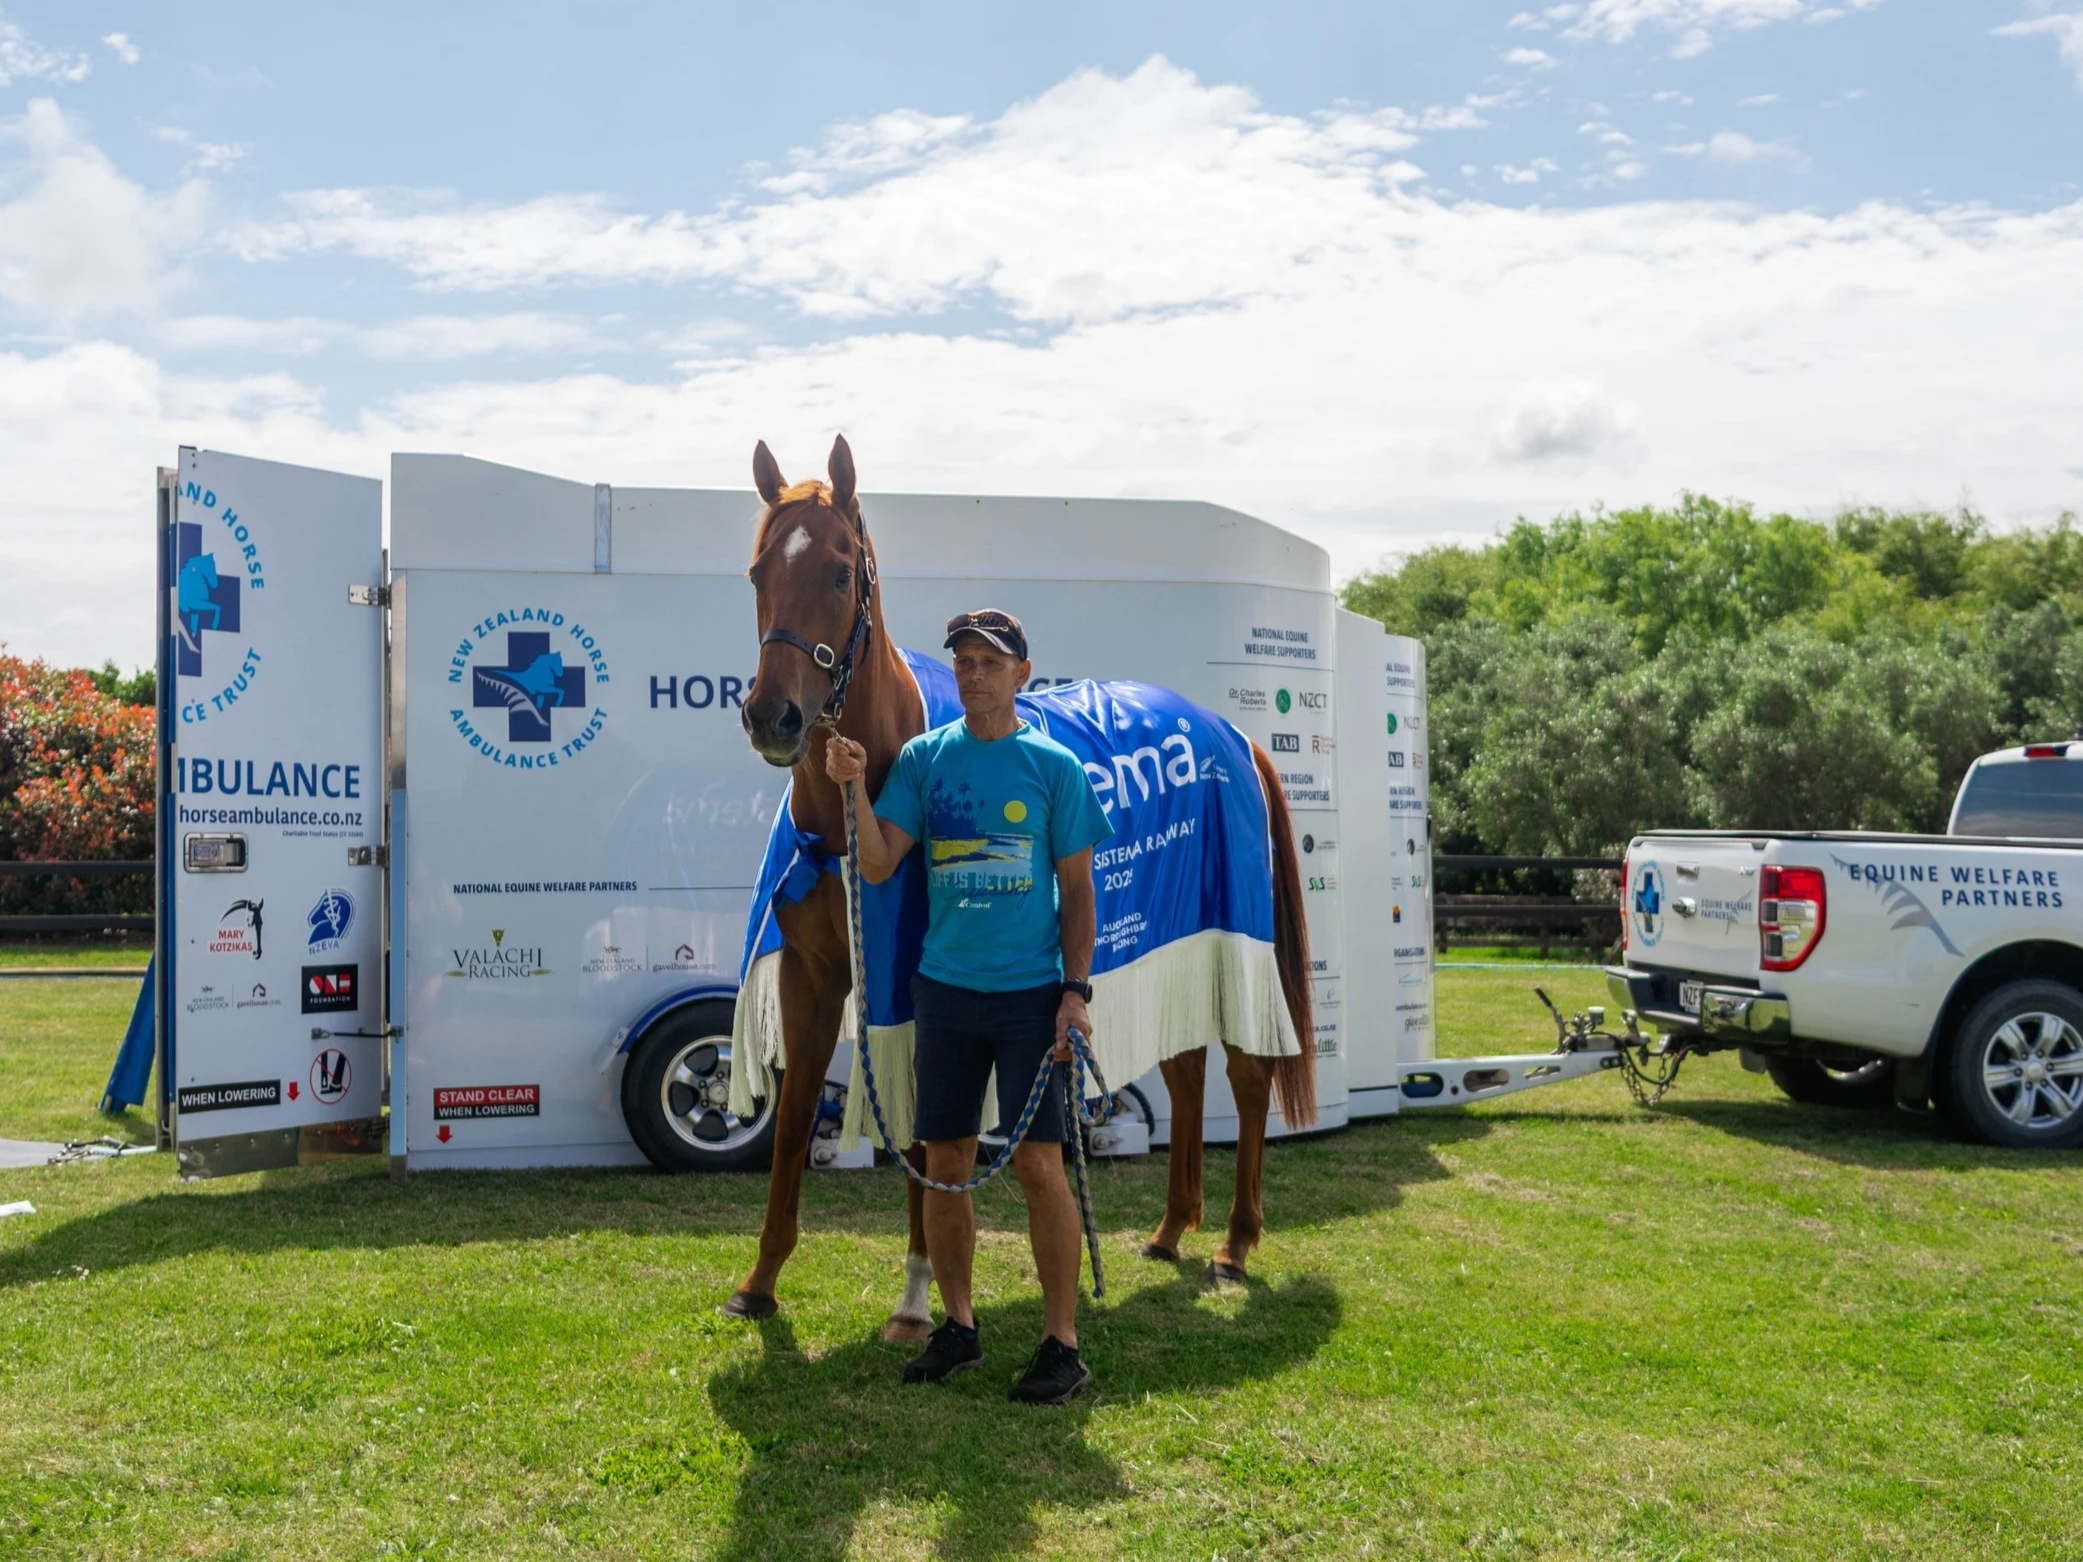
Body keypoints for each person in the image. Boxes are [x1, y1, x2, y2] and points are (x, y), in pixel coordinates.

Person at [824, 608, 1113, 1405]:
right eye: (962, 661)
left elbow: (1078, 890)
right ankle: (958, 1328)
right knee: (943, 1165)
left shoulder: (1053, 768)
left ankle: (1061, 1344)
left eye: (989, 661)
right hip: (945, 992)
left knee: (1036, 1165)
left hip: (1028, 997)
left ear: (1022, 673)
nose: (972, 673)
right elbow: (879, 866)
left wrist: (1075, 994)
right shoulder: (923, 761)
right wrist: (852, 787)